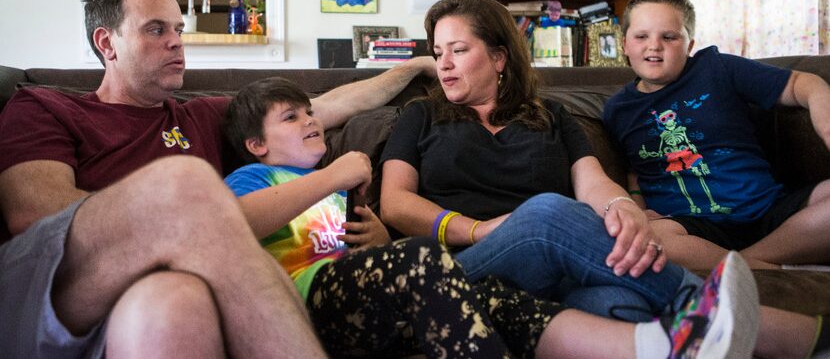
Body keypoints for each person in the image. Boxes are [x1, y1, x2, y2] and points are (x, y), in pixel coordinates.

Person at [0, 0, 435, 358]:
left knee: (175, 304)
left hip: (156, 297)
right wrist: (176, 219)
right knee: (186, 185)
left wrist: (414, 65)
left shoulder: (200, 116)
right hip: (59, 294)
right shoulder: (45, 106)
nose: (175, 41)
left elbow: (326, 106)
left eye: (177, 29)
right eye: (155, 29)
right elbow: (36, 213)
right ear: (106, 42)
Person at [380, 0, 828, 358]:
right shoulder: (421, 115)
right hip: (468, 263)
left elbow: (593, 181)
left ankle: (716, 333)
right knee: (546, 214)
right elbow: (395, 203)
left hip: (556, 273)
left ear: (499, 58)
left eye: (459, 50)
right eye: (438, 53)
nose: (443, 64)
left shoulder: (549, 116)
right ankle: (763, 326)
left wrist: (625, 211)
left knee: (624, 308)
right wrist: (478, 231)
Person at [222, 75, 759, 359]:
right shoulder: (257, 180)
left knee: (502, 301)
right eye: (292, 118)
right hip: (306, 306)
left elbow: (371, 258)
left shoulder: (340, 190)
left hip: (374, 303)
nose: (311, 121)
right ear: (255, 145)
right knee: (424, 259)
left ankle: (657, 345)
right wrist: (334, 177)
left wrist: (379, 236)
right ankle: (693, 303)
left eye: (311, 112)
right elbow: (231, 224)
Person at [603, 0, 830, 273]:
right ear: (624, 44)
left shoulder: (717, 67)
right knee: (647, 238)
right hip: (691, 227)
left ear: (689, 44)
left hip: (770, 211)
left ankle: (747, 264)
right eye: (642, 36)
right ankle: (777, 268)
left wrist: (823, 111)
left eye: (669, 37)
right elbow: (632, 170)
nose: (654, 46)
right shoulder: (617, 110)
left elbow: (802, 83)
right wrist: (637, 206)